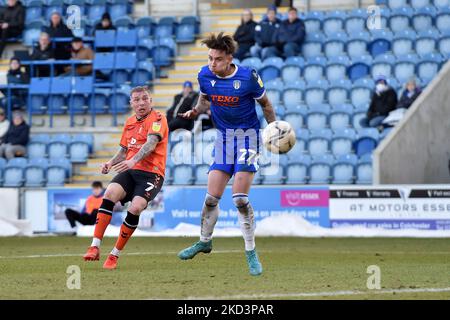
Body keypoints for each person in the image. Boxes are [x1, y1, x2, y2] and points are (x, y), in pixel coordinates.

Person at [178, 32, 276, 276]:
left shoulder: (248, 77)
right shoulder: (205, 75)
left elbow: (266, 105)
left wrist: (274, 129)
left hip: (248, 138)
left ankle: (251, 252)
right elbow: (204, 102)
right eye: (210, 58)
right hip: (223, 139)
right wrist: (194, 111)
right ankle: (204, 241)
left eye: (218, 59)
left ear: (230, 58)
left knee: (239, 199)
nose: (212, 63)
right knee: (211, 198)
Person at [83, 86, 169, 270]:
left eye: (144, 98)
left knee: (136, 207)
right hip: (130, 170)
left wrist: (132, 161)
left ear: (150, 101)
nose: (141, 103)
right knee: (109, 194)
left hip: (152, 173)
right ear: (131, 103)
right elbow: (123, 150)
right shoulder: (129, 122)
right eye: (136, 100)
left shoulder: (158, 119)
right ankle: (94, 246)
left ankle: (114, 255)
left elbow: (151, 144)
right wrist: (110, 163)